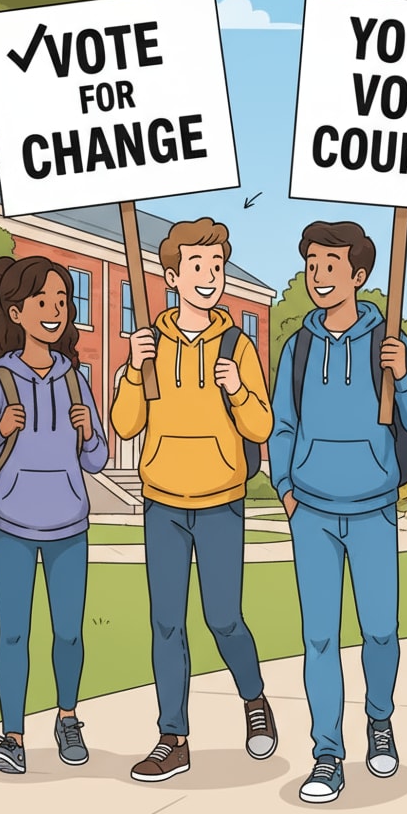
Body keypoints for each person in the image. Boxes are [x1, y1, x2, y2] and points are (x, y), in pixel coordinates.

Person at [269, 220, 407, 803]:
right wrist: (286, 487)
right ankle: (327, 753)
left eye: (330, 266)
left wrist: (406, 372)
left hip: (374, 511)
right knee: (319, 638)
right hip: (311, 511)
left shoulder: (387, 343)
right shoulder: (299, 347)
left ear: (359, 276)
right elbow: (282, 424)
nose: (318, 277)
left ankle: (380, 723)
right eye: (312, 265)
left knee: (381, 631)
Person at [112, 218, 276, 783]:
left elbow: (261, 426)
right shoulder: (147, 345)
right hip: (162, 500)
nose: (209, 277)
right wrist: (134, 369)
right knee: (166, 624)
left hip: (221, 498)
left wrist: (237, 388)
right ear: (172, 275)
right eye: (198, 267)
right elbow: (125, 424)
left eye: (216, 266)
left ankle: (254, 701)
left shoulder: (237, 344)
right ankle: (172, 736)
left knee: (224, 617)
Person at [0, 255, 108, 775]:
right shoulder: (0, 382)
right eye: (43, 302)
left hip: (69, 523)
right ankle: (13, 736)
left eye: (62, 302)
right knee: (14, 634)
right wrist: (0, 428)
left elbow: (96, 461)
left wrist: (89, 430)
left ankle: (68, 718)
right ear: (17, 312)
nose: (54, 311)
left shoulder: (73, 380)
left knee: (68, 632)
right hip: (12, 526)